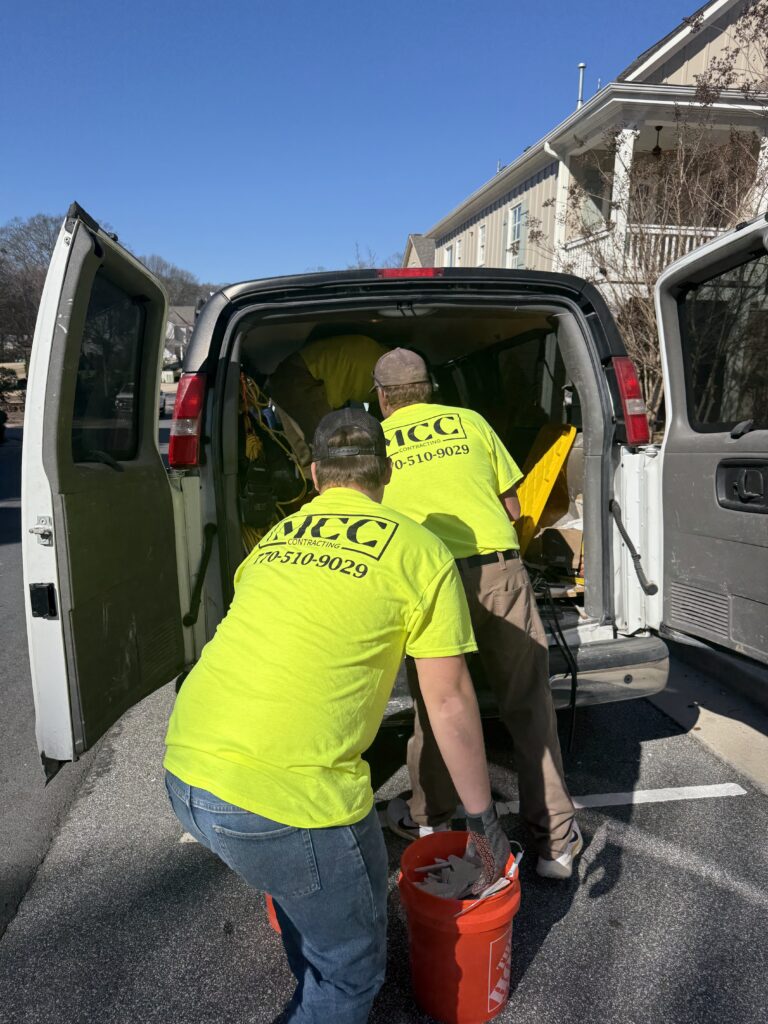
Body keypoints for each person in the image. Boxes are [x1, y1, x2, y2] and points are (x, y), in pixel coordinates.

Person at [163, 408, 510, 1024]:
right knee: (351, 973)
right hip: (288, 801)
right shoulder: (421, 551)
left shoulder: (276, 536)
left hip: (188, 768)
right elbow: (449, 699)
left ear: (316, 473)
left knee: (317, 900)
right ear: (389, 471)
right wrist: (482, 819)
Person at [373, 348, 582, 880]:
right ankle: (555, 844)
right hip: (498, 571)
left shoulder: (376, 443)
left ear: (381, 398)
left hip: (428, 579)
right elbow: (513, 508)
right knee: (529, 704)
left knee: (437, 704)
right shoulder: (470, 422)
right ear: (428, 390)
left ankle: (428, 819)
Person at [268, 332, 389, 444]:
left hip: (307, 371)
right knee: (324, 448)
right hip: (300, 376)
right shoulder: (390, 377)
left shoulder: (383, 359)